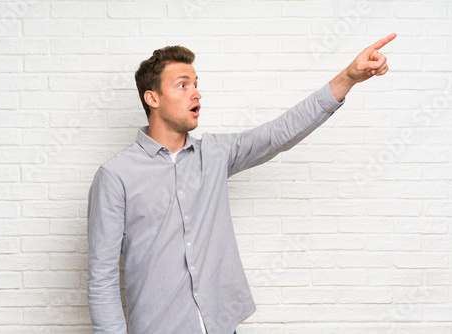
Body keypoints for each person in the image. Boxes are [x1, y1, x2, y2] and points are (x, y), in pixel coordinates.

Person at [87, 33, 397, 334]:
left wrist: (348, 77)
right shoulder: (115, 176)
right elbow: (102, 278)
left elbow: (279, 133)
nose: (196, 93)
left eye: (195, 85)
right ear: (152, 98)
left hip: (222, 325)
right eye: (183, 86)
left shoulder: (215, 154)